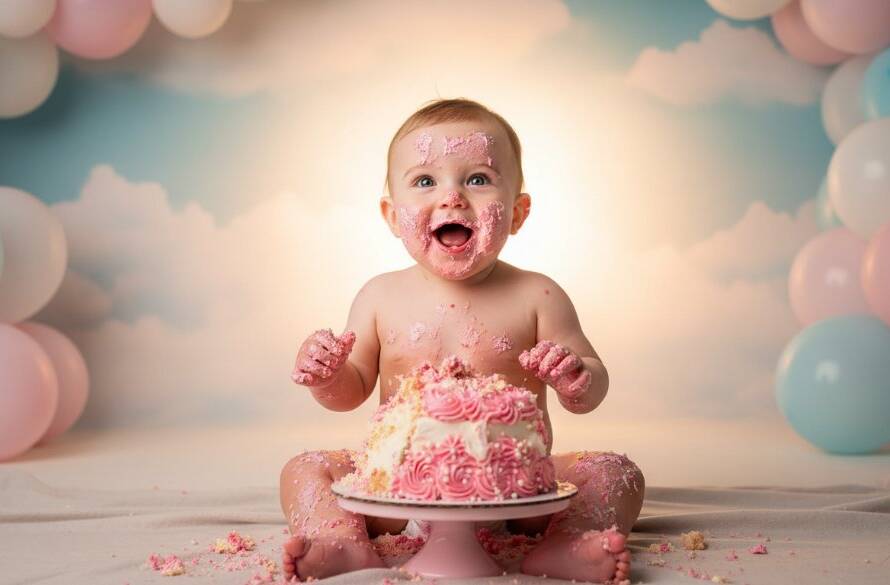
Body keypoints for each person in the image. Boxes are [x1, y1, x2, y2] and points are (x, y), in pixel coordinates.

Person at [280, 98, 643, 584]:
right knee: (304, 468)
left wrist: (576, 375)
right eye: (425, 181)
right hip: (393, 494)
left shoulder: (538, 294)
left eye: (477, 179)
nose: (452, 197)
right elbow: (352, 391)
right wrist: (327, 377)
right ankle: (340, 540)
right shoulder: (379, 296)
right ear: (391, 215)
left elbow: (591, 390)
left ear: (517, 212)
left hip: (517, 498)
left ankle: (565, 544)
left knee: (614, 471)